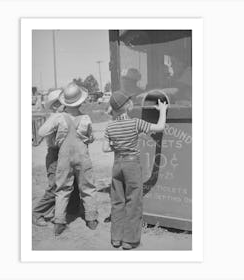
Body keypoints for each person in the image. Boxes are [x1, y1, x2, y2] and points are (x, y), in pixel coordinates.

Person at [102, 90, 168, 250]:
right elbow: (159, 127)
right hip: (132, 165)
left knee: (117, 201)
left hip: (117, 165)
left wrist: (118, 145)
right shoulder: (135, 123)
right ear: (127, 106)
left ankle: (116, 238)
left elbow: (105, 148)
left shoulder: (109, 126)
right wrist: (163, 110)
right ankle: (129, 240)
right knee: (134, 202)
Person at [41, 83, 98, 236]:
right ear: (81, 101)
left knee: (62, 189)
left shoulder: (59, 117)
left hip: (64, 157)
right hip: (82, 156)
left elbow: (41, 131)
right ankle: (91, 219)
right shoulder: (86, 118)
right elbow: (91, 138)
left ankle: (59, 222)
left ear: (65, 102)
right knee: (87, 187)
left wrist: (56, 117)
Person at [32, 89, 80, 226]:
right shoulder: (55, 117)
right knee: (55, 187)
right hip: (55, 155)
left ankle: (72, 209)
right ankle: (37, 213)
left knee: (73, 182)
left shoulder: (65, 116)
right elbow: (41, 132)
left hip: (66, 153)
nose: (65, 104)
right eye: (61, 102)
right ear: (54, 106)